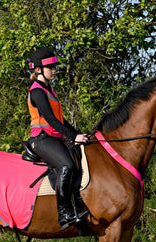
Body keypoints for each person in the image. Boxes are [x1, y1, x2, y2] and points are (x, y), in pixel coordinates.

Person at [27, 47, 89, 229]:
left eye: (55, 66)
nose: (54, 70)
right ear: (38, 69)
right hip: (41, 139)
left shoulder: (49, 90)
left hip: (53, 138)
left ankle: (78, 205)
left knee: (78, 159)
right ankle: (64, 213)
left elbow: (62, 120)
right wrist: (72, 136)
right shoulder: (37, 91)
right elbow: (52, 120)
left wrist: (79, 133)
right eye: (50, 67)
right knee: (66, 165)